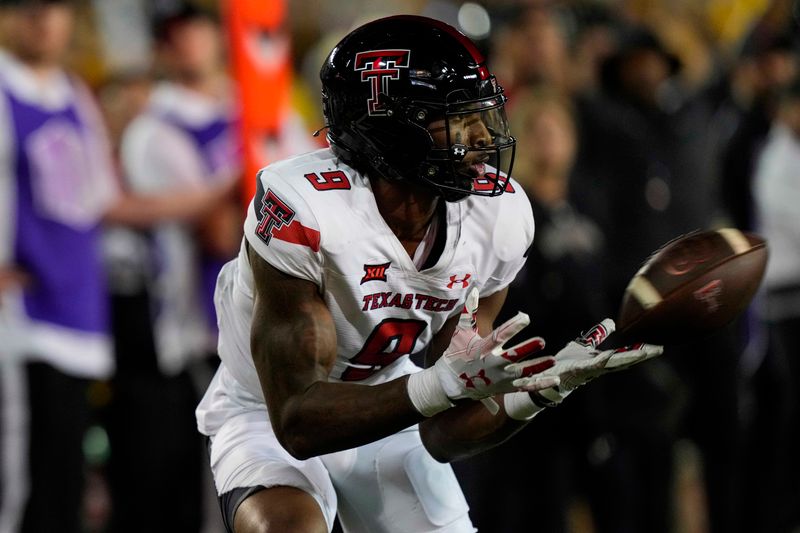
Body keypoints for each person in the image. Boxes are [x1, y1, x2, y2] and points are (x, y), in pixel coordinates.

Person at [195, 15, 661, 533]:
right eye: (458, 119)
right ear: (388, 127)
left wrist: (533, 394)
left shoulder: (498, 217)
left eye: (483, 115)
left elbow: (447, 429)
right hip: (267, 410)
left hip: (393, 400)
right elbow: (298, 422)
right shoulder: (304, 209)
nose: (484, 139)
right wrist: (433, 389)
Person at [0, 1, 233, 531]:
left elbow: (104, 204)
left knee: (60, 491)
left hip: (80, 320)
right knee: (21, 494)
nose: (41, 18)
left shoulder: (72, 93)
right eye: (26, 6)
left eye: (53, 7)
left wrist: (223, 191)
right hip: (22, 322)